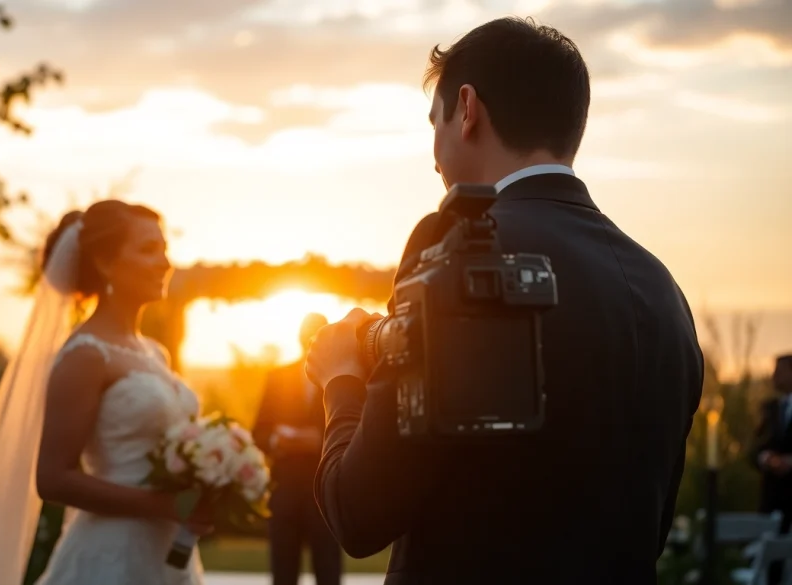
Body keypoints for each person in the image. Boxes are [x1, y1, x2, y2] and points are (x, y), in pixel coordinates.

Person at [306, 17, 703, 584]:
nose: (434, 157)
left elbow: (359, 512)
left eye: (435, 123)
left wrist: (341, 378)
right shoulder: (661, 286)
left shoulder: (453, 251)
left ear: (467, 109)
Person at [0, 201, 209, 585]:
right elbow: (52, 478)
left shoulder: (155, 353)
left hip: (167, 551)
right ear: (105, 263)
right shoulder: (86, 355)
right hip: (112, 554)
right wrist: (163, 505)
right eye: (148, 250)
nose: (165, 263)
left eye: (164, 249)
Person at [253, 313, 342, 585]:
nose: (310, 338)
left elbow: (352, 430)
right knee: (283, 574)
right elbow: (258, 432)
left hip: (325, 498)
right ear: (299, 337)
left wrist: (320, 441)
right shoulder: (277, 377)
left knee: (328, 573)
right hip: (285, 495)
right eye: (307, 332)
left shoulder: (339, 381)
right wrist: (277, 441)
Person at [752, 355, 792, 525]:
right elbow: (753, 449)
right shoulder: (769, 408)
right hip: (770, 506)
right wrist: (766, 458)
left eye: (779, 371)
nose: (773, 376)